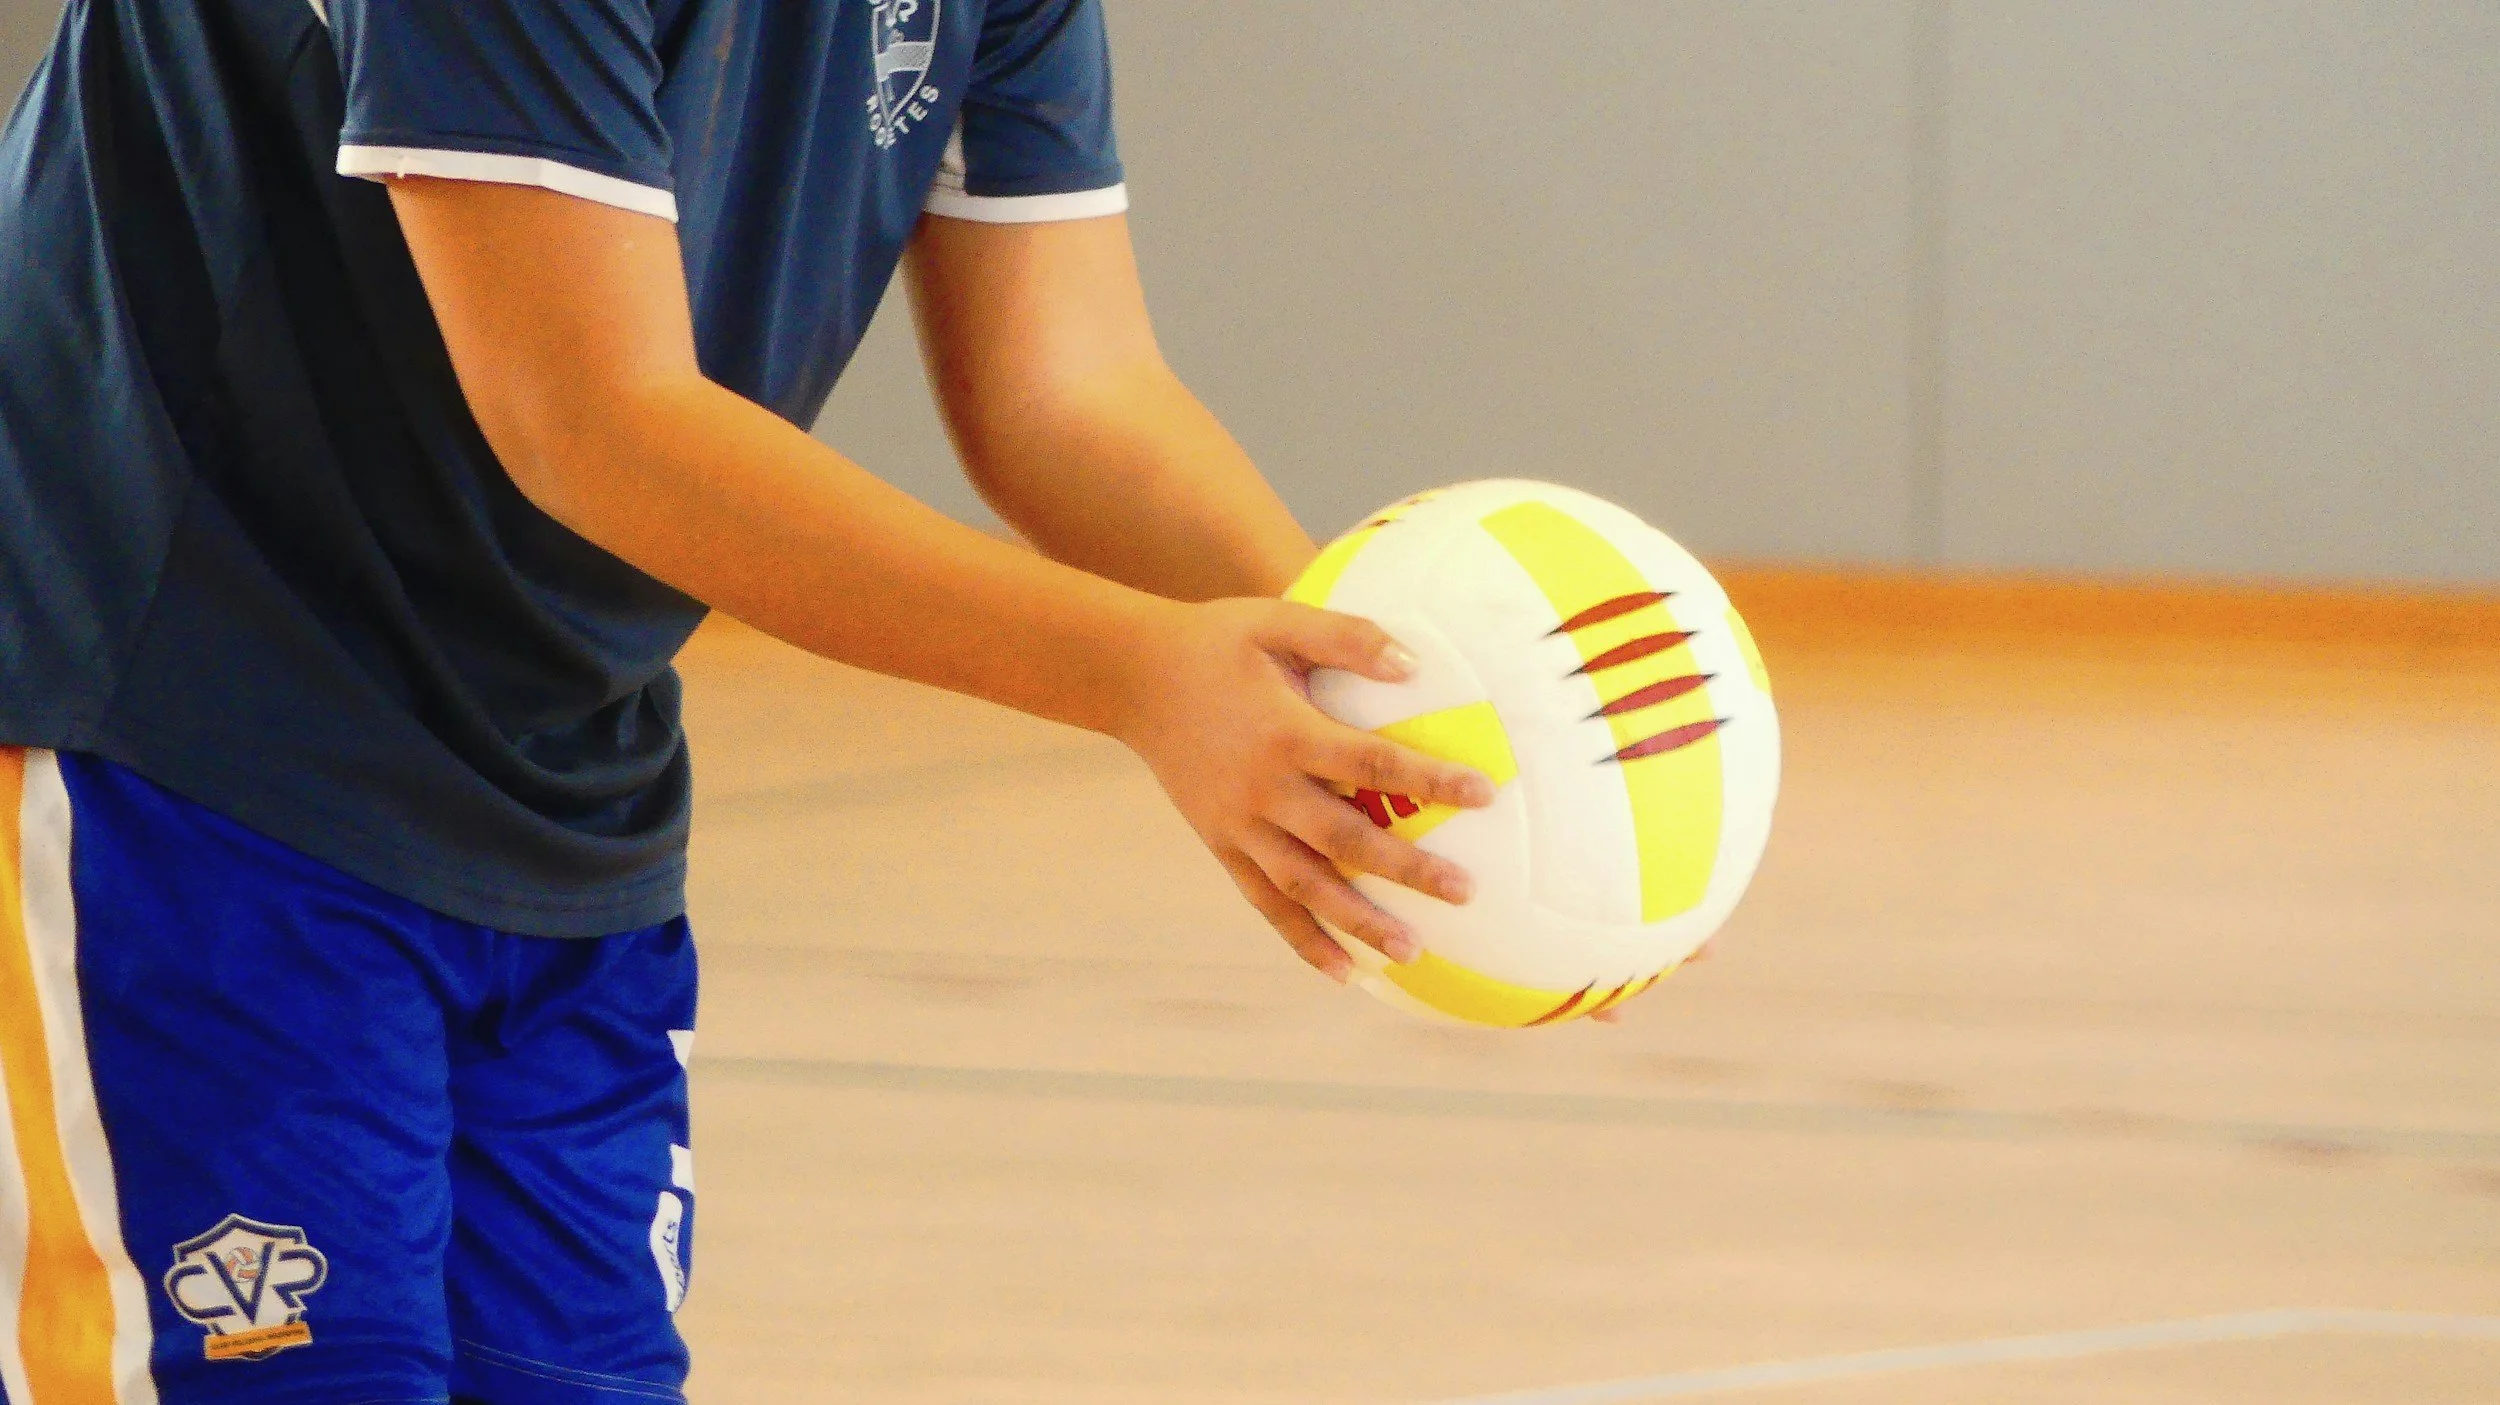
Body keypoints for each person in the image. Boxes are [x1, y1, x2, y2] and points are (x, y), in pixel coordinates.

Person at [0, 0, 1497, 1399]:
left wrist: (1382, 705)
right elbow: (592, 417)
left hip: (556, 781)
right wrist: (1142, 681)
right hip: (177, 729)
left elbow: (1070, 392)